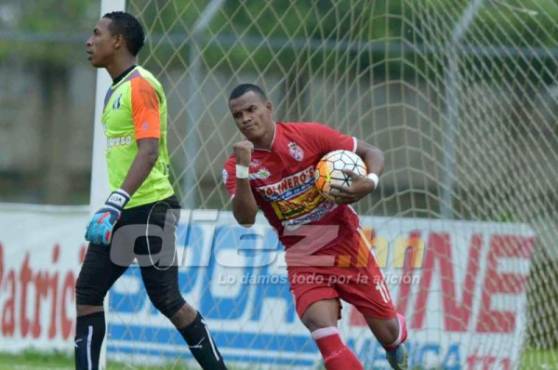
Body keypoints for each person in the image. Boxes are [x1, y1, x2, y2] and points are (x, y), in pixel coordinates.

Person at [76, 11, 227, 370]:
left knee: (167, 299)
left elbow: (149, 150)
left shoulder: (140, 85)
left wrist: (115, 202)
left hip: (150, 207)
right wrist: (118, 205)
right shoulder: (116, 88)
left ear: (118, 41)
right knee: (89, 293)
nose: (89, 41)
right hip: (127, 208)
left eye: (96, 34)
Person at [223, 83, 408, 370]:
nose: (246, 118)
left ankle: (395, 342)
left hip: (347, 244)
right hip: (303, 254)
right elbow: (245, 219)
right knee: (320, 327)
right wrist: (244, 170)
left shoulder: (308, 135)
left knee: (389, 332)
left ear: (268, 108)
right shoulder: (236, 166)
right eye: (238, 115)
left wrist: (369, 182)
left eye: (251, 109)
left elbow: (372, 151)